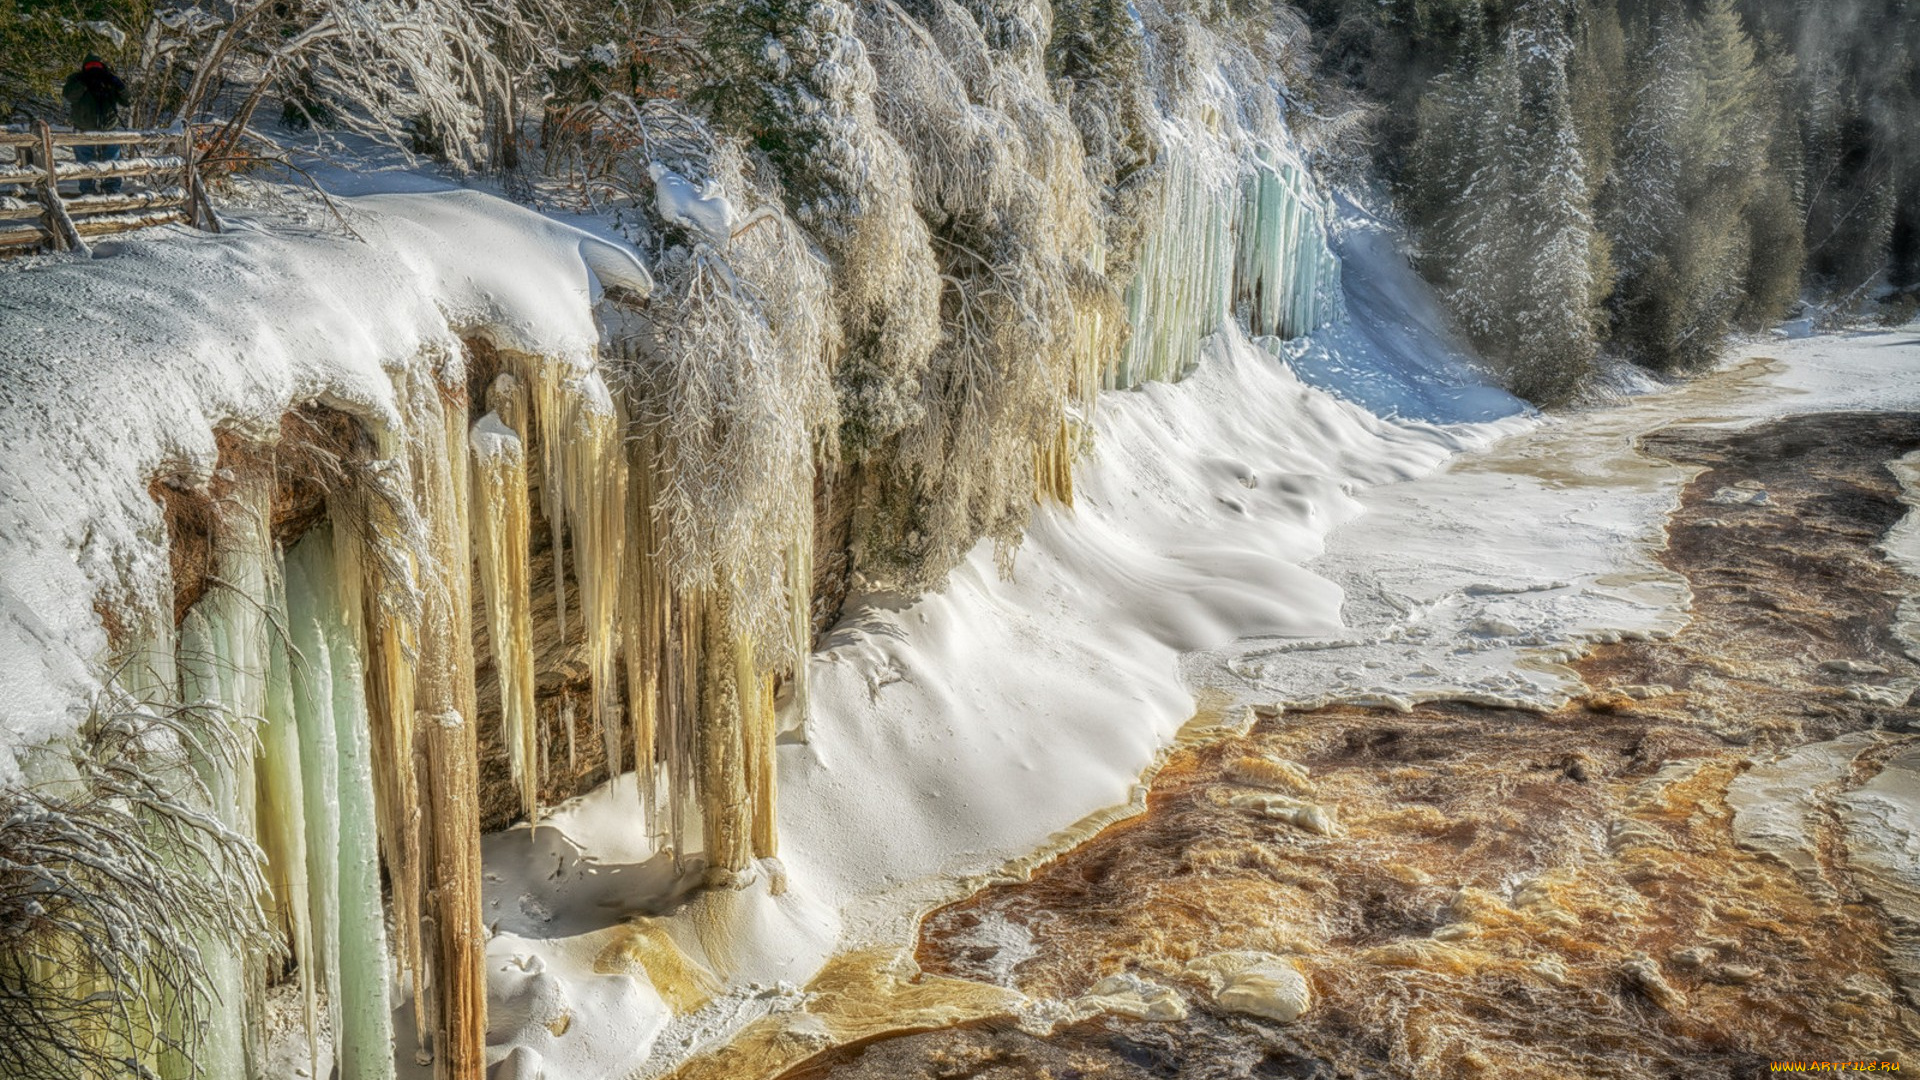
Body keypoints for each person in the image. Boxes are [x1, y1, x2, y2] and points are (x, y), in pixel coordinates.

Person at [62, 55, 127, 196]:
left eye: (97, 67)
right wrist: (84, 83)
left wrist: (118, 85)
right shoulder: (77, 79)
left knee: (112, 160)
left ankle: (111, 190)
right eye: (91, 68)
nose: (94, 71)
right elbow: (69, 96)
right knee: (86, 161)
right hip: (84, 128)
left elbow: (128, 101)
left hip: (108, 127)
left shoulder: (109, 80)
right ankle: (88, 191)